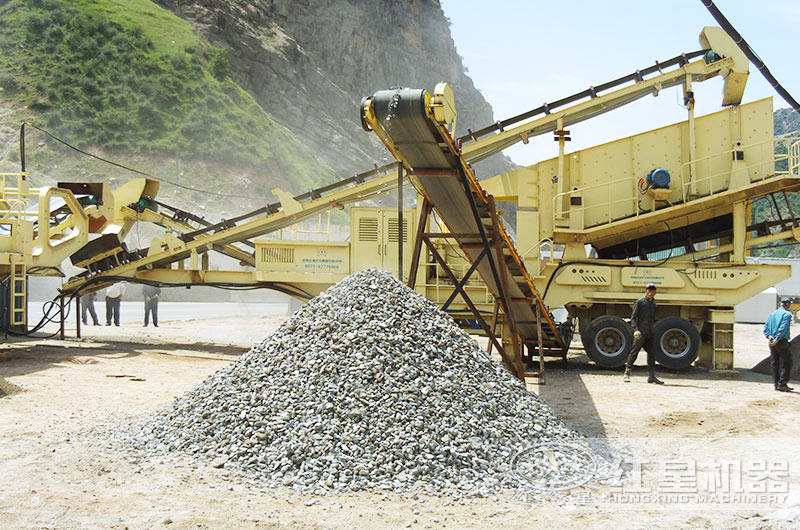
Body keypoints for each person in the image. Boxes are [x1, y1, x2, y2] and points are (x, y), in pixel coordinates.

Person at [623, 283, 663, 384]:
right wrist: (636, 330)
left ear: (655, 293)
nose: (650, 292)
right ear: (646, 291)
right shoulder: (640, 302)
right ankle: (627, 374)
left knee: (652, 355)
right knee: (634, 352)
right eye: (649, 290)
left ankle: (652, 376)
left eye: (653, 291)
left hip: (650, 333)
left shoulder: (653, 304)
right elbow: (633, 317)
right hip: (640, 333)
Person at [764, 297, 794, 392]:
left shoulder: (773, 314)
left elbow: (766, 328)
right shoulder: (787, 314)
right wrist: (777, 339)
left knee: (775, 363)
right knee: (788, 362)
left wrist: (770, 337)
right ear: (788, 304)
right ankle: (782, 384)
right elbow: (783, 328)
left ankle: (776, 384)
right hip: (780, 341)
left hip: (772, 341)